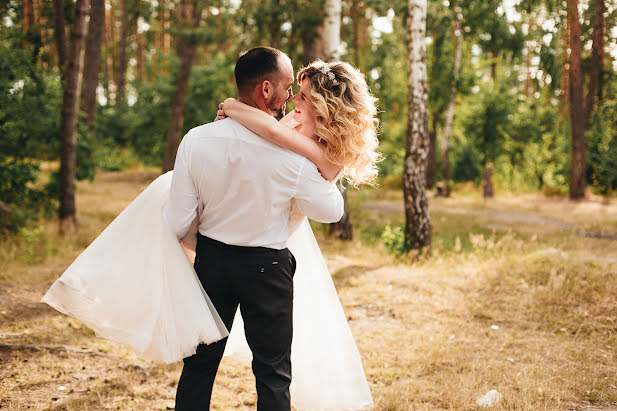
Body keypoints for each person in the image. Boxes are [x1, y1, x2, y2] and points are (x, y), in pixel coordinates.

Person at [213, 59, 380, 411]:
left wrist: (232, 107)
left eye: (302, 96)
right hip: (260, 227)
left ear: (324, 107)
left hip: (270, 239)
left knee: (279, 357)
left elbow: (274, 135)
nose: (292, 102)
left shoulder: (330, 153)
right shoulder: (303, 124)